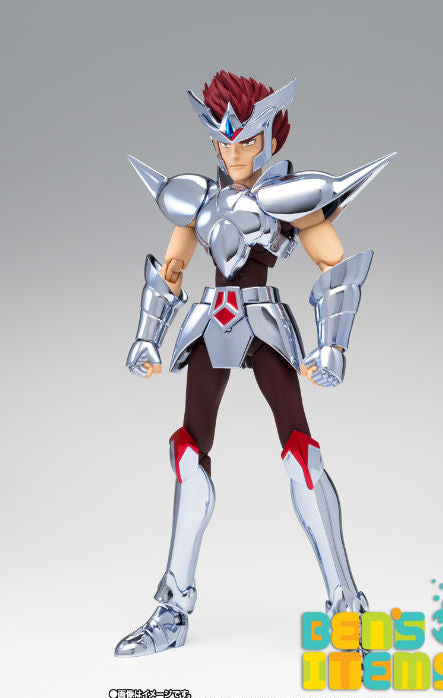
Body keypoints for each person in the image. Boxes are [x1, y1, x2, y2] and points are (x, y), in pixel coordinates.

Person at [115, 71, 395, 657]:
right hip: (209, 321)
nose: (234, 153)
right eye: (223, 142)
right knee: (187, 454)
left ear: (269, 138)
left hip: (264, 322)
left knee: (301, 453)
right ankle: (172, 609)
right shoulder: (197, 198)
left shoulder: (286, 196)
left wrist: (332, 344)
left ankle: (347, 607)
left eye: (245, 140)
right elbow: (171, 270)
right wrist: (146, 337)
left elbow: (334, 264)